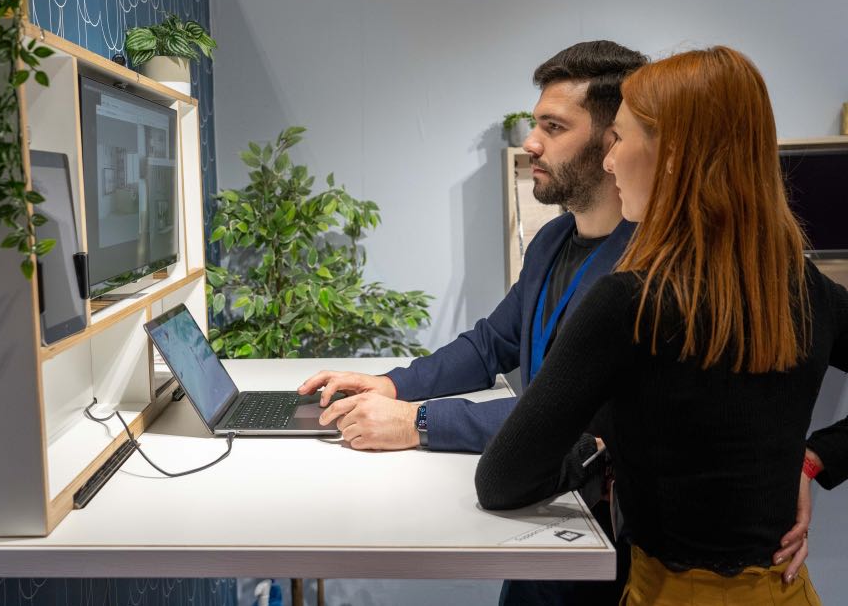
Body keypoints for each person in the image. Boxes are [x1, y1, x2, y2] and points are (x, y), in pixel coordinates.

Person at [475, 46, 848, 605]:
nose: (608, 160)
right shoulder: (800, 286)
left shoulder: (630, 302)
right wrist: (814, 459)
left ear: (671, 157)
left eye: (619, 139)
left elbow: (503, 479)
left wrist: (596, 453)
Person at [300, 40, 646, 604]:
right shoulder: (555, 239)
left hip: (605, 539)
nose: (532, 142)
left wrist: (419, 422)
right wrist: (393, 384)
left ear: (612, 143)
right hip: (534, 516)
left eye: (554, 128)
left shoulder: (648, 270)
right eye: (536, 124)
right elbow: (492, 343)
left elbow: (581, 414)